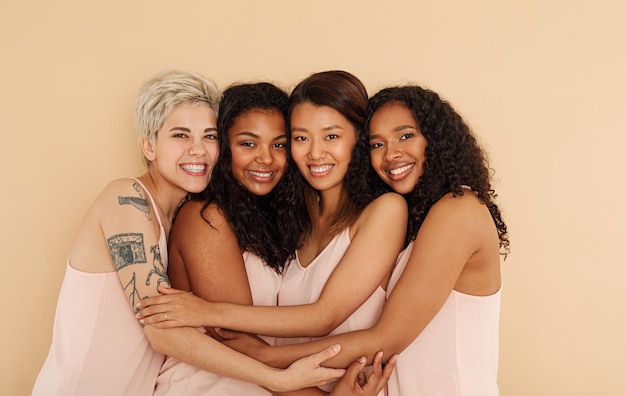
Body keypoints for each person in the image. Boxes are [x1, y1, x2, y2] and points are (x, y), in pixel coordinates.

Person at [143, 83, 510, 396]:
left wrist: (265, 358)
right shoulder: (289, 223)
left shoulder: (455, 210)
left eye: (406, 135)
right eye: (379, 143)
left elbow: (378, 334)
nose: (392, 153)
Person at [32, 70, 346, 396]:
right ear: (149, 146)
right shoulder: (126, 200)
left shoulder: (173, 219)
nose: (198, 150)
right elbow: (161, 330)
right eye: (181, 136)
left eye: (209, 136)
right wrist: (280, 379)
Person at [136, 71, 406, 394]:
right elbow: (236, 343)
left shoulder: (288, 221)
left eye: (278, 143)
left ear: (358, 139)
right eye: (247, 143)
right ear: (223, 147)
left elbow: (308, 325)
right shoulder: (207, 217)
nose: (266, 158)